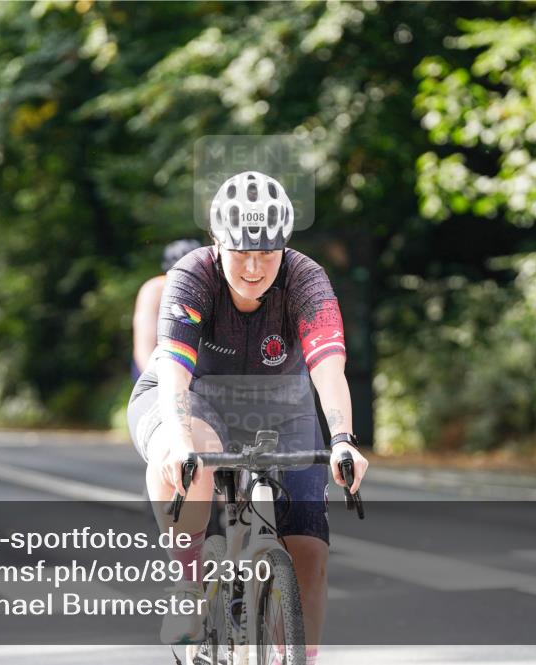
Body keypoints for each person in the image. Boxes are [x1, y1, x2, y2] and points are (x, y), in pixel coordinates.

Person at [127, 171, 369, 660]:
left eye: (268, 251)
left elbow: (327, 364)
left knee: (310, 553)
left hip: (280, 405)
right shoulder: (191, 275)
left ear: (286, 245)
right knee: (190, 458)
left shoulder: (306, 278)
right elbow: (174, 370)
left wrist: (342, 437)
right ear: (217, 243)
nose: (255, 267)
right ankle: (188, 583)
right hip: (192, 395)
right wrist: (177, 440)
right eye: (241, 251)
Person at [132, 239, 202, 380]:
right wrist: (153, 380)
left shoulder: (209, 285)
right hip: (158, 360)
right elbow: (144, 339)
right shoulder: (154, 289)